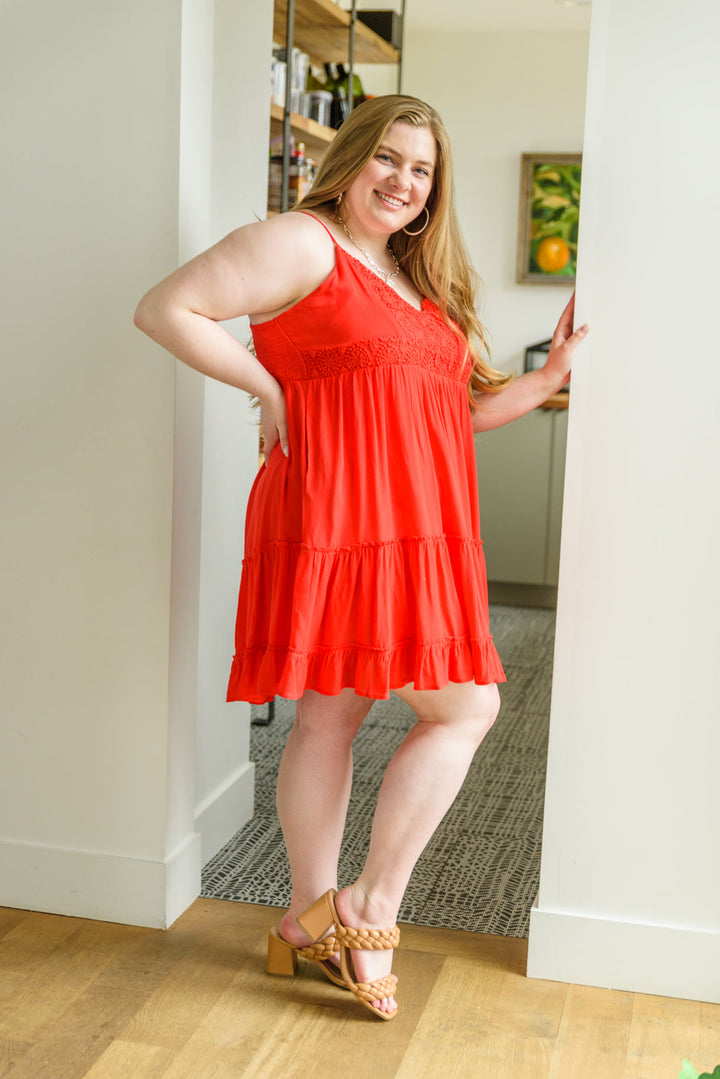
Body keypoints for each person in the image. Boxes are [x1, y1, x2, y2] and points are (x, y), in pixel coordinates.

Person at [134, 94, 588, 1021]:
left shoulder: (417, 278)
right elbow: (165, 307)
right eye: (388, 158)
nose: (402, 181)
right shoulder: (303, 243)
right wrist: (268, 388)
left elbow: (454, 413)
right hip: (338, 514)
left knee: (335, 714)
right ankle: (367, 909)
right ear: (350, 158)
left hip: (416, 526)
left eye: (421, 170)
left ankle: (310, 916)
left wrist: (546, 379)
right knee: (455, 706)